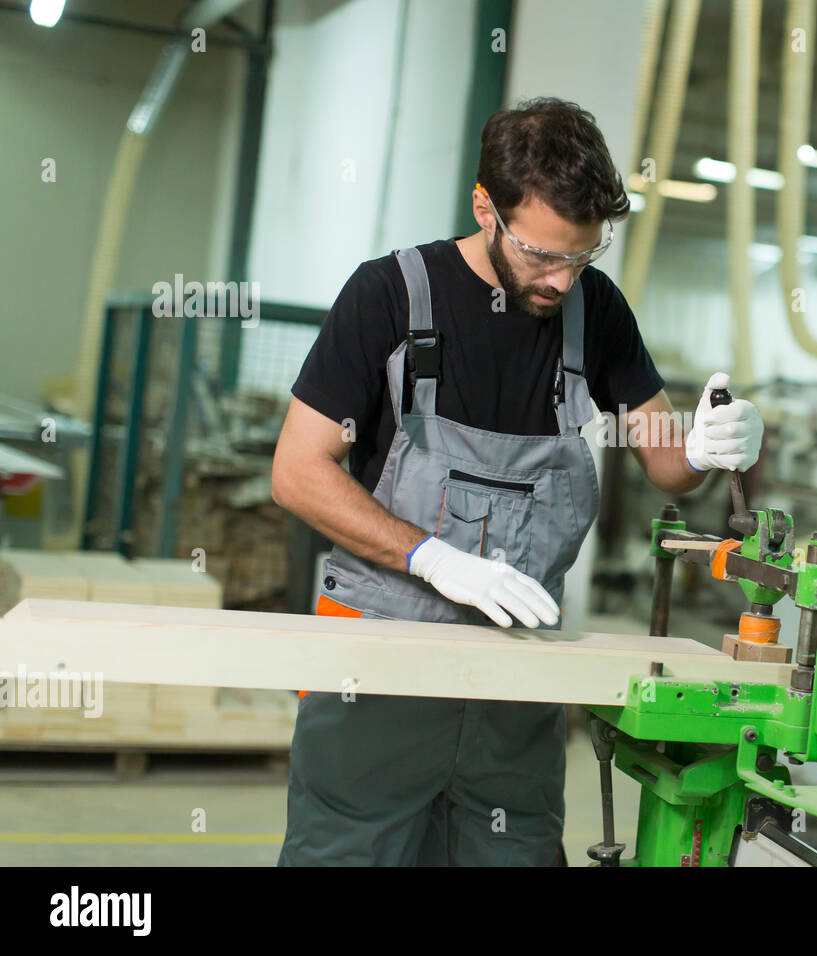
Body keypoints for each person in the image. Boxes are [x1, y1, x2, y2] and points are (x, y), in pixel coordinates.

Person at [269, 97, 763, 865]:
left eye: (582, 257)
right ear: (484, 208)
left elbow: (663, 459)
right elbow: (297, 471)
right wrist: (432, 556)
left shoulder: (593, 312)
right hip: (377, 666)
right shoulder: (390, 295)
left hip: (515, 684)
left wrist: (705, 446)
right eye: (542, 255)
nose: (562, 280)